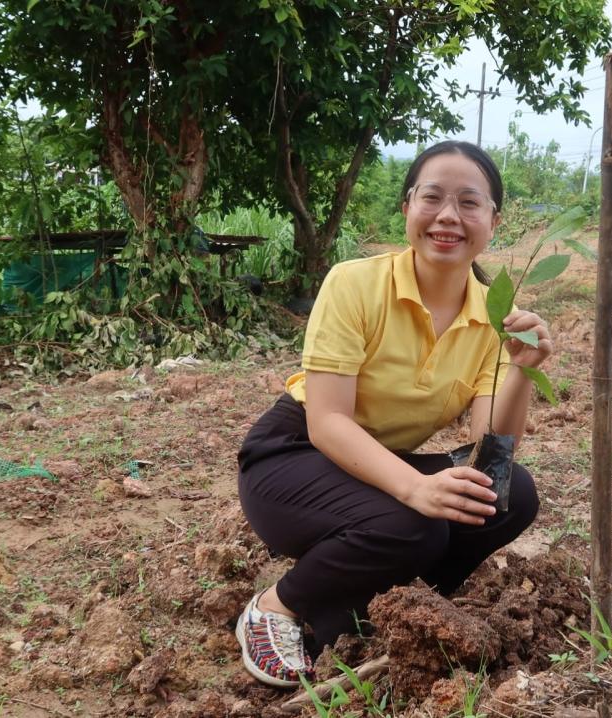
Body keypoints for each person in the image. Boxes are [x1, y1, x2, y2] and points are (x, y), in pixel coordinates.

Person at [234, 140, 549, 688]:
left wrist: (521, 368)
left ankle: (378, 611)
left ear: (493, 221)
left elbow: (490, 443)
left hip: (377, 464)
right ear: (407, 208)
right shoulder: (356, 283)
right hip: (293, 457)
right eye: (432, 198)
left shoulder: (496, 317)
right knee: (413, 524)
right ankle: (276, 607)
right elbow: (328, 420)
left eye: (470, 203)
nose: (449, 216)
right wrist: (413, 489)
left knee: (506, 494)